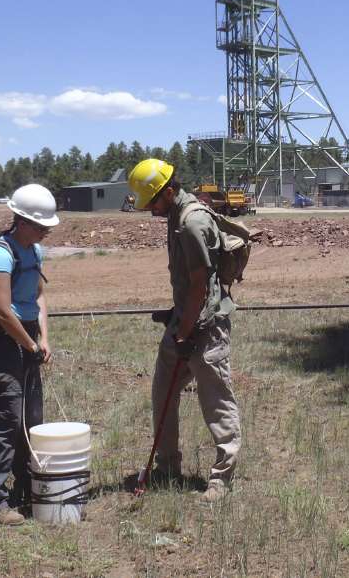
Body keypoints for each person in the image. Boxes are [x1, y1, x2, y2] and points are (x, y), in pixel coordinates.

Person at [128, 158, 241, 504]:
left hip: (204, 327)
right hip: (184, 320)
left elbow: (199, 288)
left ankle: (221, 478)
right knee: (163, 391)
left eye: (152, 204)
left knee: (217, 404)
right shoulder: (175, 217)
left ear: (168, 191)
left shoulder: (192, 223)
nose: (150, 212)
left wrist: (185, 332)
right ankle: (167, 467)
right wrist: (178, 323)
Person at [0, 183, 58, 525]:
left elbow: (37, 297)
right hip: (2, 339)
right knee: (4, 416)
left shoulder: (34, 253)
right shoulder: (0, 254)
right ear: (21, 220)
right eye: (40, 226)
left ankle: (27, 486)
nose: (45, 232)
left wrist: (44, 339)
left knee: (30, 415)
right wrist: (29, 343)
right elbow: (2, 310)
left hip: (27, 337)